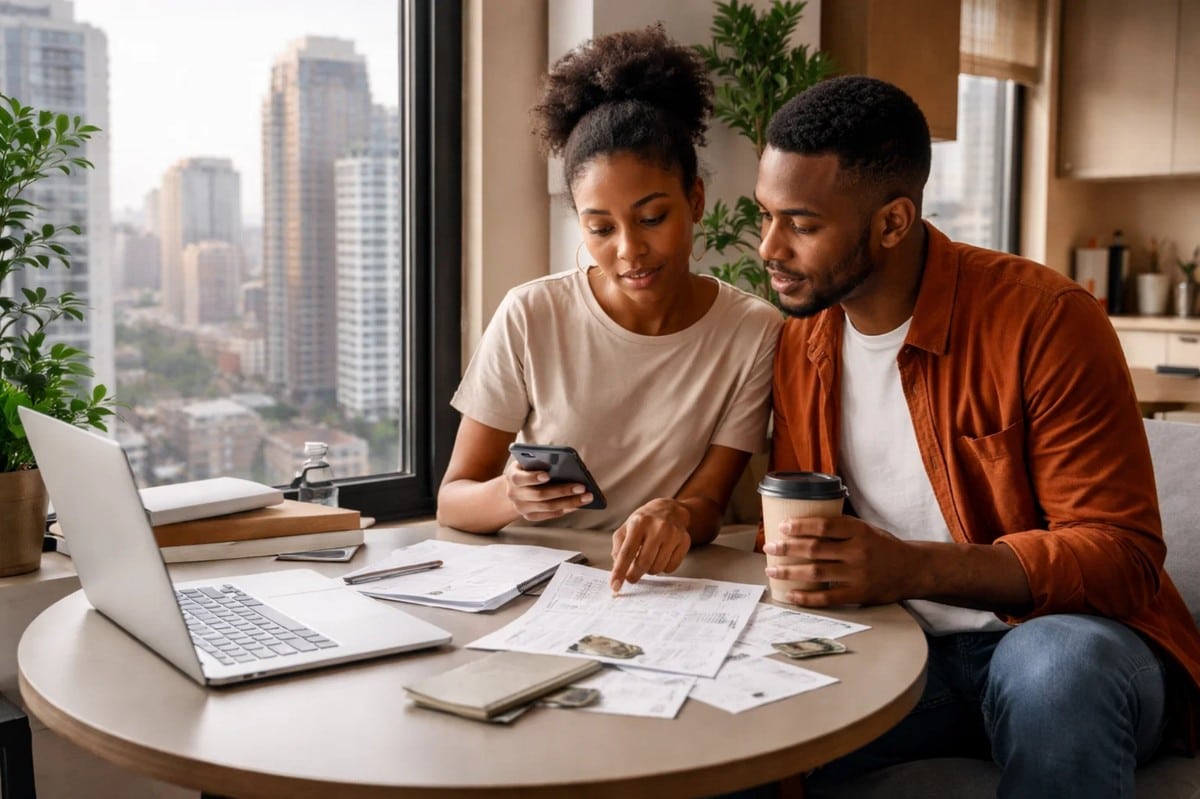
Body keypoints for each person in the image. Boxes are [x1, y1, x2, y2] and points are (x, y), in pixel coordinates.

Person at [754, 75, 1200, 797]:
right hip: (900, 656)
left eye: (801, 225)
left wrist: (913, 567)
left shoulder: (1044, 319)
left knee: (1057, 672)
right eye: (765, 215)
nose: (770, 247)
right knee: (729, 733)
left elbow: (1123, 555)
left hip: (1062, 641)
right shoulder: (800, 346)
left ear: (893, 222)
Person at [437, 25, 782, 595]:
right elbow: (454, 499)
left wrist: (675, 513)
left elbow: (709, 504)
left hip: (658, 585)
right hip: (531, 579)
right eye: (600, 227)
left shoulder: (751, 330)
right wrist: (508, 495)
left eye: (651, 218)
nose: (629, 250)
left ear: (695, 201)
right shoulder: (531, 314)